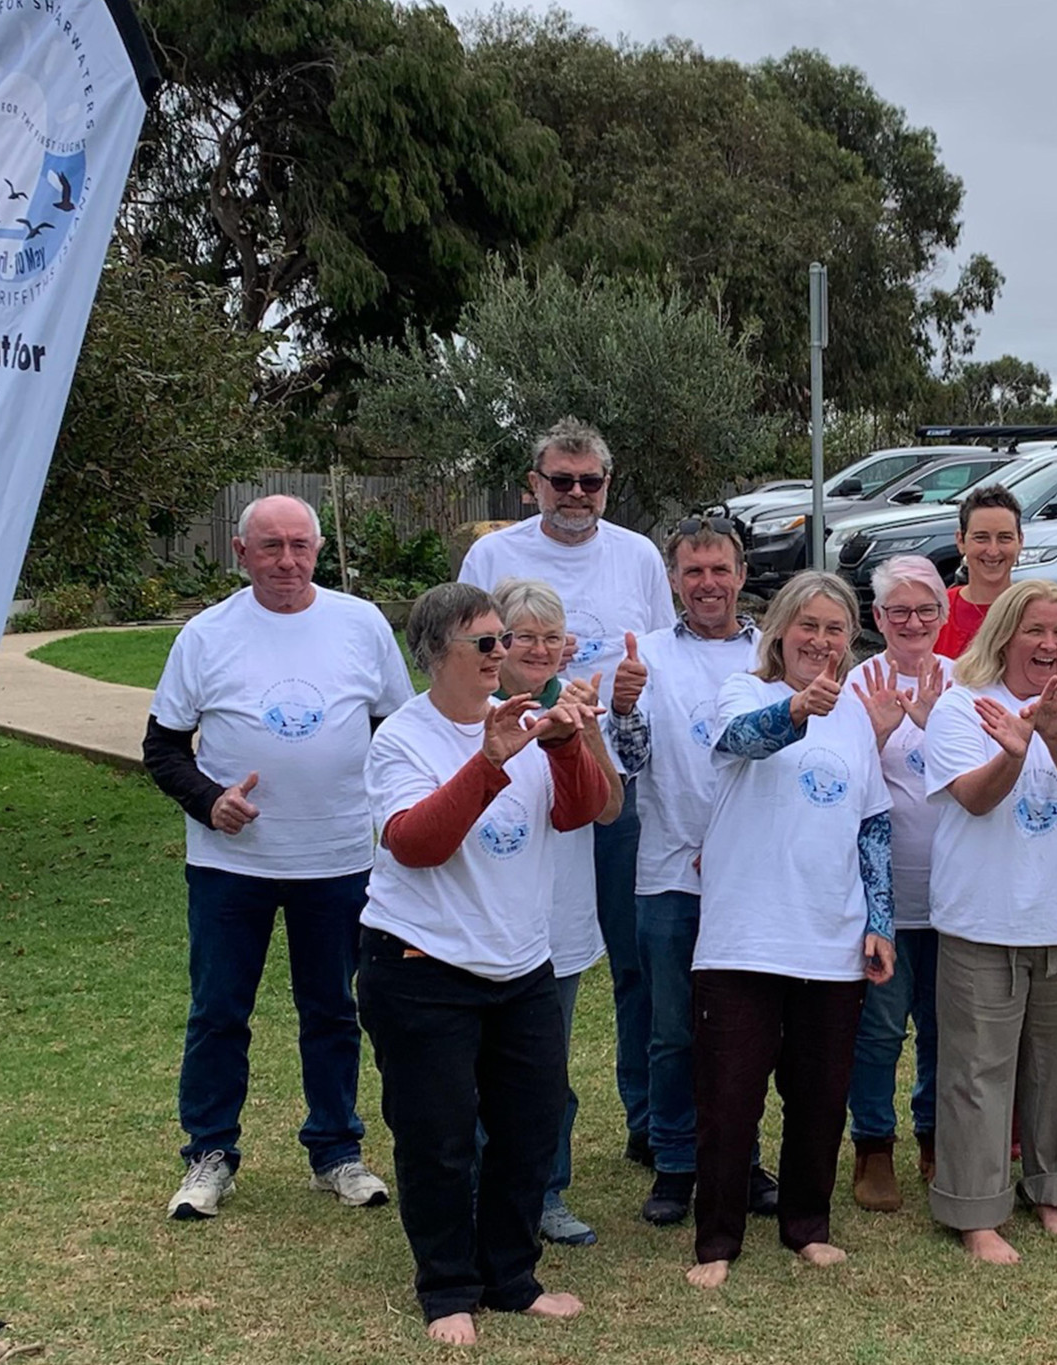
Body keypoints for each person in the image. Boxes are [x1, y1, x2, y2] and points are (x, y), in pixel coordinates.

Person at [143, 494, 411, 1220]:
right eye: (270, 547)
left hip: (339, 859)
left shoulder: (361, 625)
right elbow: (162, 748)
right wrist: (209, 799)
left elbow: (397, 732)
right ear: (241, 552)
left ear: (318, 550)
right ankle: (210, 1153)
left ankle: (337, 1151)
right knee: (219, 1010)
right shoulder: (206, 635)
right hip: (233, 864)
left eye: (299, 545)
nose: (286, 561)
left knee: (331, 1008)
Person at [356, 582, 609, 1342]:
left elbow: (579, 810)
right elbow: (416, 843)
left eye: (507, 640)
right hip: (421, 964)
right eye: (488, 643)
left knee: (529, 1126)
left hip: (520, 962)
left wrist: (565, 742)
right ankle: (447, 1289)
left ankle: (510, 1275)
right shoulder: (402, 737)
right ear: (437, 653)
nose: (505, 654)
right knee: (436, 1137)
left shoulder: (529, 721)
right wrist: (489, 760)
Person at [459, 418, 676, 1167]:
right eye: (562, 480)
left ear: (607, 485)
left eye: (591, 482)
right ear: (534, 482)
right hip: (517, 779)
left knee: (634, 959)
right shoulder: (494, 553)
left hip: (613, 781)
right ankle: (507, 1144)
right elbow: (471, 657)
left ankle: (647, 1120)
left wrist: (628, 695)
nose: (577, 494)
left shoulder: (639, 556)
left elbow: (660, 660)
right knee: (527, 952)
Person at [688, 570, 896, 1289]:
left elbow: (872, 823)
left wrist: (882, 921)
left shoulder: (857, 721)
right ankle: (716, 1239)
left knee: (819, 1098)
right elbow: (742, 741)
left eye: (835, 629)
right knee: (728, 1097)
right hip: (744, 937)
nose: (821, 639)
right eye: (807, 625)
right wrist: (796, 711)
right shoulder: (744, 690)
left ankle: (808, 1225)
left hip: (830, 938)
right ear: (779, 630)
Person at [921, 579, 1057, 1264]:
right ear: (1005, 633)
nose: (1050, 643)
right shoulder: (958, 705)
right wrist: (1013, 749)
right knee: (978, 1067)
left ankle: (1051, 1188)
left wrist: (1053, 734)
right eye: (1035, 630)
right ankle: (976, 1209)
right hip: (984, 917)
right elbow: (974, 800)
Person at [608, 517, 780, 1226]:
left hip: (756, 878)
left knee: (747, 1031)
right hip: (670, 872)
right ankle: (676, 1163)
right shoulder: (645, 655)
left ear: (741, 574)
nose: (707, 582)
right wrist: (621, 707)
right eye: (692, 570)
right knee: (674, 1028)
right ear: (674, 579)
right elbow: (633, 761)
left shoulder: (775, 651)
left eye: (719, 569)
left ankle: (739, 1158)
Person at [485, 579, 627, 1248]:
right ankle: (482, 1194)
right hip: (484, 918)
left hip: (558, 921)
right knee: (481, 1071)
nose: (538, 649)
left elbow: (610, 808)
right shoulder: (474, 709)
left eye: (551, 637)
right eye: (523, 637)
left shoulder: (574, 703)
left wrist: (586, 731)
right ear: (498, 642)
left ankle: (546, 1191)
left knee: (547, 1071)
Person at [843, 555, 953, 1210]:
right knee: (880, 1029)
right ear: (877, 618)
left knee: (946, 1027)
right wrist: (879, 730)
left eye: (925, 609)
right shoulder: (856, 684)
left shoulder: (967, 682)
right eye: (898, 611)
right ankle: (873, 1144)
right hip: (881, 899)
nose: (913, 622)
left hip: (954, 897)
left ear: (942, 615)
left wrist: (936, 720)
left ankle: (936, 1136)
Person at [933, 485, 1024, 658]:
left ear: (1020, 541)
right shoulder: (936, 613)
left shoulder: (1034, 612)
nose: (993, 550)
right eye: (981, 538)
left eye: (1004, 537)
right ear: (961, 541)